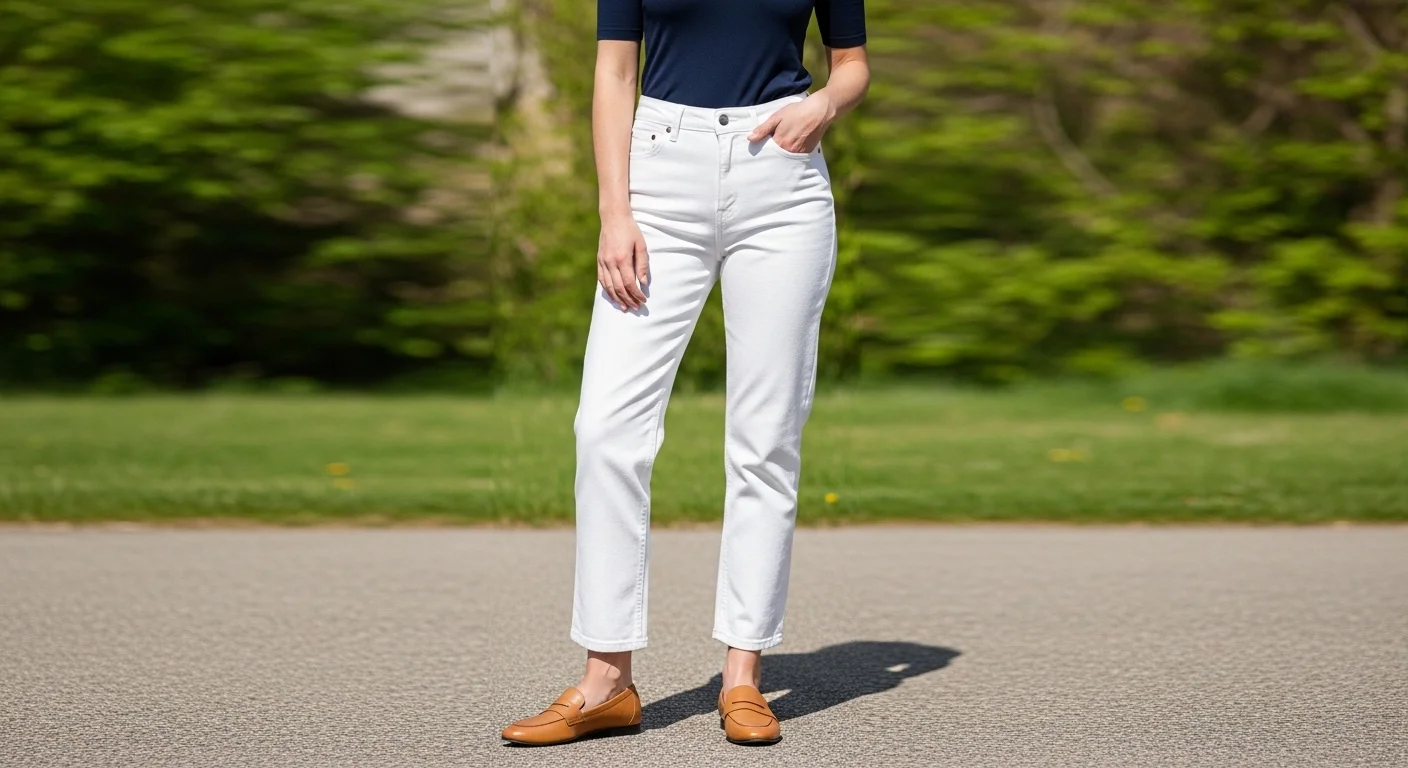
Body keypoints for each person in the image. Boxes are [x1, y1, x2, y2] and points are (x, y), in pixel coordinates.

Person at [501, 0, 869, 747]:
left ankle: (743, 678)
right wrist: (614, 212)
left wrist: (824, 103)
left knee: (764, 439)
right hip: (659, 175)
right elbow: (613, 71)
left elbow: (853, 63)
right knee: (605, 428)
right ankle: (607, 681)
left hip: (782, 179)